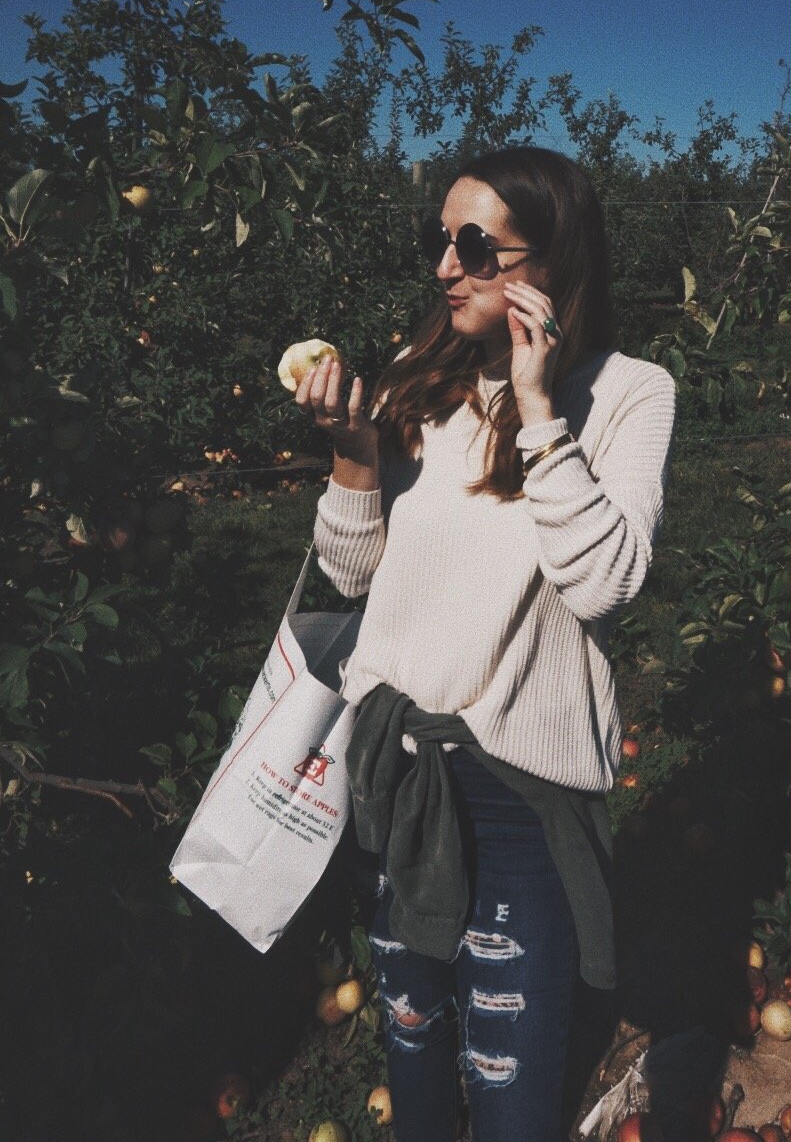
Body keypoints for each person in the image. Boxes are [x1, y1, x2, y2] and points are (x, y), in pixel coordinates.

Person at [295, 144, 677, 1142]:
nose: (445, 265)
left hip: (518, 796)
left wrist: (540, 407)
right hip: (398, 775)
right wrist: (352, 450)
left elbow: (603, 579)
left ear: (552, 257)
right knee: (417, 1075)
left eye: (476, 243)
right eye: (440, 239)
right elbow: (350, 569)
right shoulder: (423, 384)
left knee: (510, 1099)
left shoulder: (628, 391)